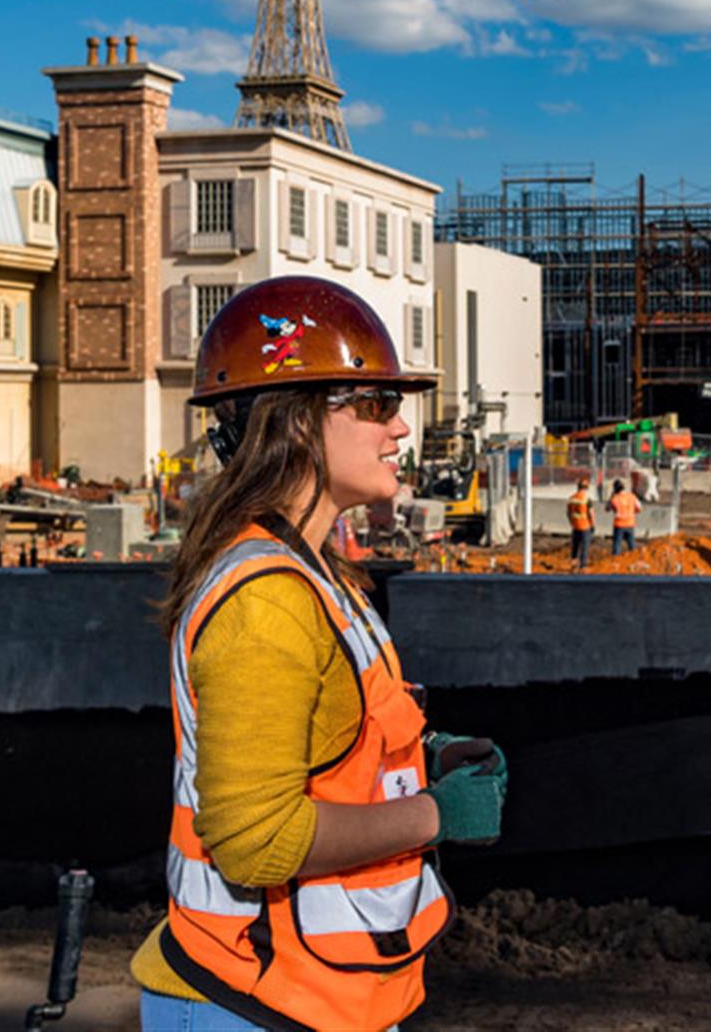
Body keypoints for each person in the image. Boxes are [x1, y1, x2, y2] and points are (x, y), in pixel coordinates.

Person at [131, 275, 508, 1032]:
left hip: (316, 995)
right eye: (374, 405)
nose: (399, 429)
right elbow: (256, 843)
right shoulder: (266, 600)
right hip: (253, 999)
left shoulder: (321, 573)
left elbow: (334, 741)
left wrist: (417, 759)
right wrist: (435, 814)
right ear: (300, 424)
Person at [607, 479, 641, 556]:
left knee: (617, 546)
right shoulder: (632, 496)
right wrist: (632, 511)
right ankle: (634, 559)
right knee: (632, 546)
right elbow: (639, 508)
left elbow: (607, 508)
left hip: (619, 525)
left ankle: (615, 562)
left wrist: (611, 496)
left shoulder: (615, 498)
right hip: (630, 524)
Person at [567, 477, 595, 569]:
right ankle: (583, 565)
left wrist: (572, 523)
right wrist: (592, 525)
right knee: (584, 547)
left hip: (575, 526)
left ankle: (573, 563)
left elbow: (568, 513)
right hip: (585, 526)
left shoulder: (572, 498)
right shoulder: (586, 499)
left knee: (575, 546)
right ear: (586, 488)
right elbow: (591, 513)